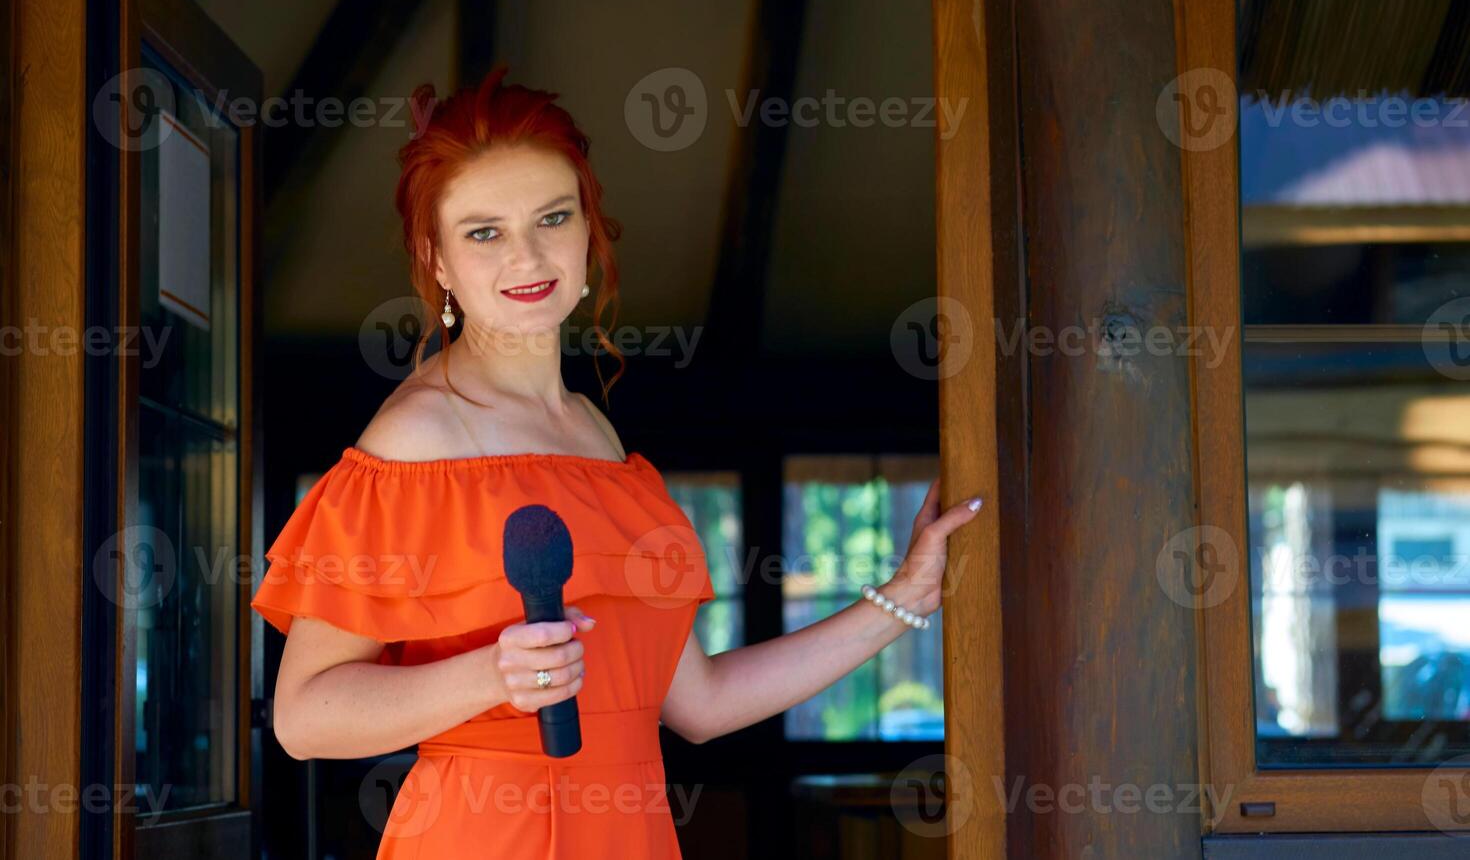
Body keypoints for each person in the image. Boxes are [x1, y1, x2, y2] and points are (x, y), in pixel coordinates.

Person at [249, 65, 984, 858]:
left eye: (553, 218)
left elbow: (697, 702)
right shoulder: (414, 442)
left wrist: (903, 598)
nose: (527, 257)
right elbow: (303, 717)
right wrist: (491, 678)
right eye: (484, 232)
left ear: (588, 228)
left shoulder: (597, 438)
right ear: (437, 259)